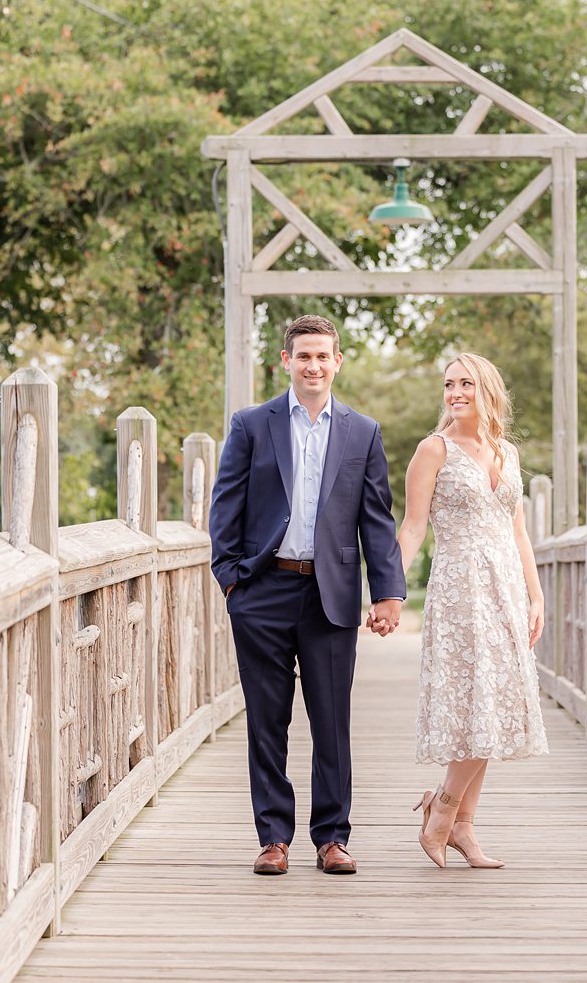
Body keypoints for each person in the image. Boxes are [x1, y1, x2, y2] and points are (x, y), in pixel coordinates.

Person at [209, 314, 405, 876]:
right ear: (286, 362)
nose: (314, 366)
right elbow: (226, 507)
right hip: (262, 589)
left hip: (332, 594)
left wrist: (388, 591)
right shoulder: (252, 424)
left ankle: (332, 838)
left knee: (331, 721)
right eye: (304, 357)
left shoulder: (362, 432)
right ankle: (273, 838)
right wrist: (231, 580)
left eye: (324, 356)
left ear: (337, 362)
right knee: (267, 719)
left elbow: (377, 518)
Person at [395, 352, 548, 869]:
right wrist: (389, 591)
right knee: (473, 707)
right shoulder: (432, 450)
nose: (455, 392)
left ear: (488, 389)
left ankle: (460, 827)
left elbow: (519, 530)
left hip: (504, 589)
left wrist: (536, 593)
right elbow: (414, 526)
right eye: (449, 384)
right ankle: (443, 813)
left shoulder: (506, 452)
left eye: (466, 383)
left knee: (497, 705)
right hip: (460, 591)